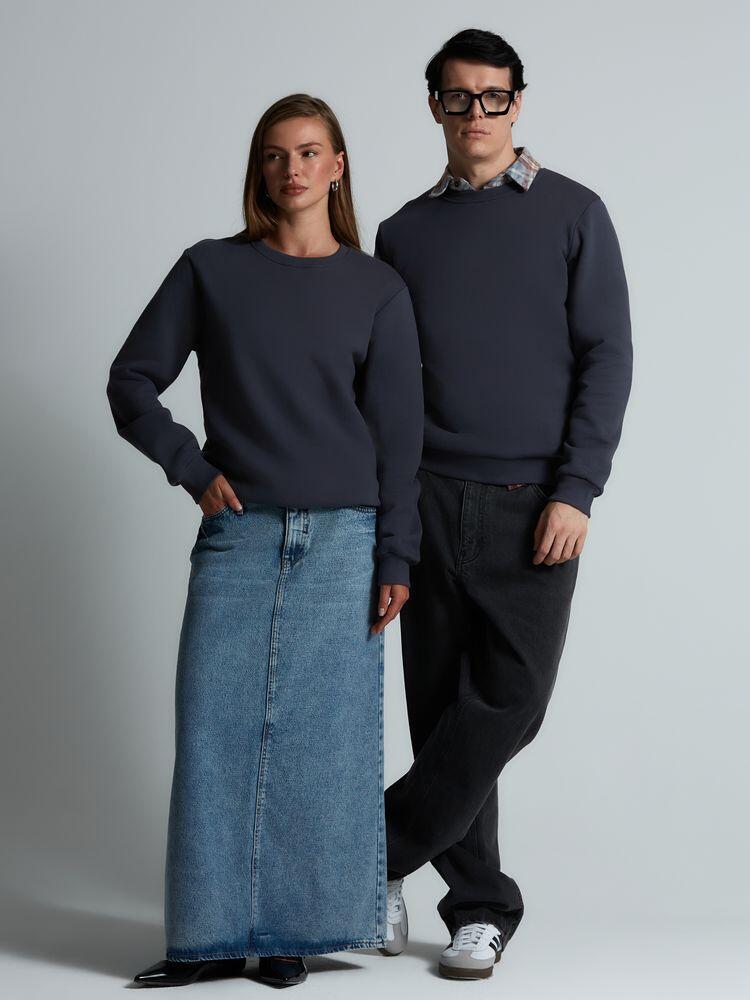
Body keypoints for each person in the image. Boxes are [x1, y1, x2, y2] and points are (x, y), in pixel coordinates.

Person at [106, 93, 424, 989]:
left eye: (310, 151)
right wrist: (190, 467)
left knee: (321, 746)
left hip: (347, 541)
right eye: (277, 154)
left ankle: (288, 934)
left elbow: (400, 439)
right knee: (213, 733)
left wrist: (396, 554)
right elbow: (131, 381)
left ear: (338, 167)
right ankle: (205, 941)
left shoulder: (377, 289)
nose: (293, 168)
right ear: (259, 169)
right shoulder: (211, 269)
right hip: (238, 538)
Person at [375, 28, 633, 980]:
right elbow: (387, 383)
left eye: (493, 96)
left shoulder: (574, 213)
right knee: (442, 711)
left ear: (517, 102)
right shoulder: (403, 233)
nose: (476, 113)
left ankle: (368, 853)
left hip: (535, 506)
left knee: (511, 704)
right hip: (427, 496)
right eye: (458, 97)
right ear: (434, 107)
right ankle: (478, 908)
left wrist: (578, 489)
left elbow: (608, 357)